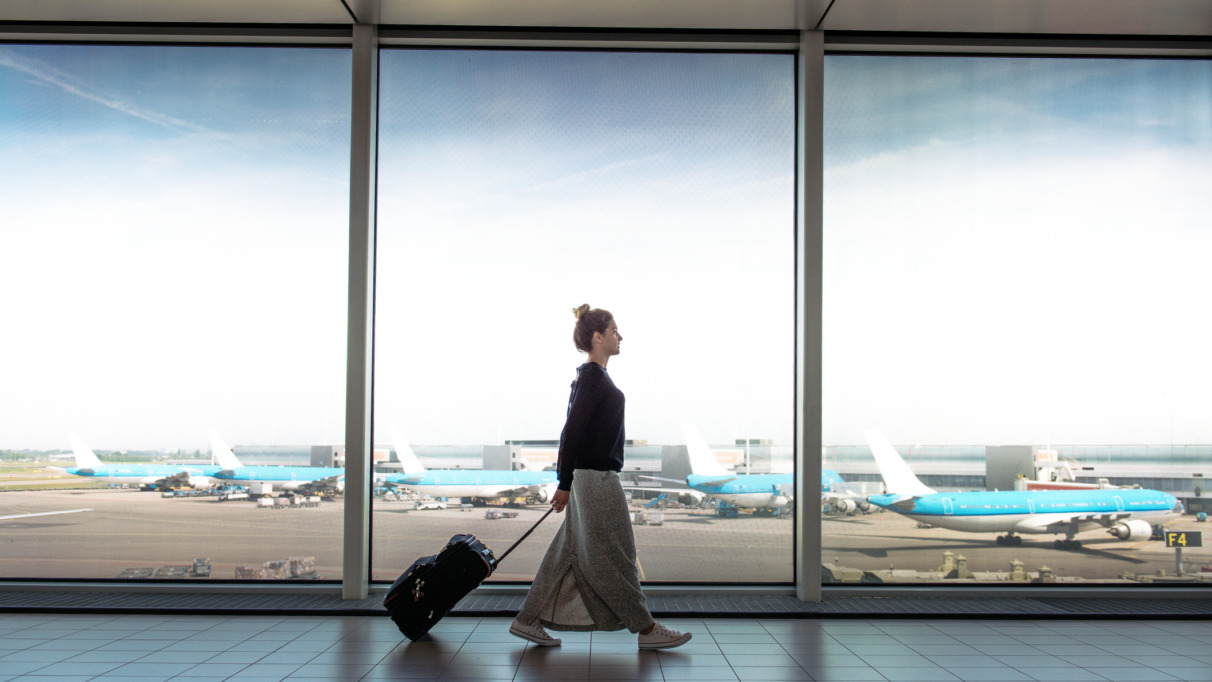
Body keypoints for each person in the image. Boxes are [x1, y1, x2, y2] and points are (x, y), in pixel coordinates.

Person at [509, 304, 691, 650]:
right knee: (617, 552)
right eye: (614, 331)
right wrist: (564, 483)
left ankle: (526, 620)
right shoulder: (592, 377)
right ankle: (646, 629)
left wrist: (568, 481)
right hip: (595, 479)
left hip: (591, 477)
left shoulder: (593, 377)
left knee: (568, 552)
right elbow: (571, 432)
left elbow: (575, 432)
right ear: (597, 336)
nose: (620, 336)